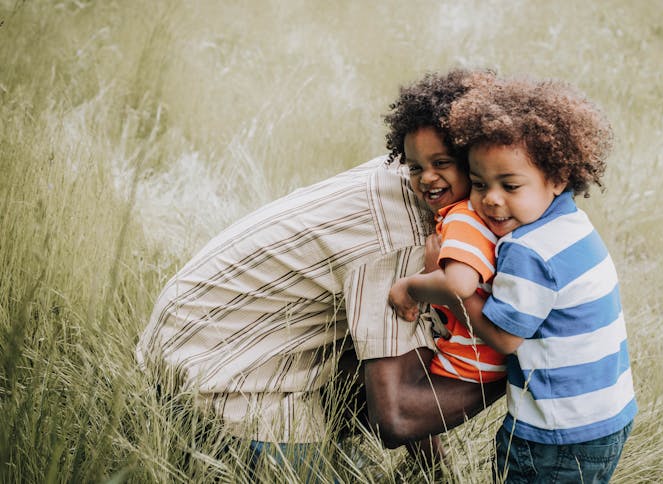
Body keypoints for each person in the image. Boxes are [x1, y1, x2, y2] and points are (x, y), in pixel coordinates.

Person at [135, 69, 504, 477]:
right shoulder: (407, 235)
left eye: (442, 163)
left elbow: (406, 356)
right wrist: (515, 363)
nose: (428, 176)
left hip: (190, 339)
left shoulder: (416, 188)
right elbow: (396, 417)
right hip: (222, 369)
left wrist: (435, 473)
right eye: (420, 165)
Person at [444, 77, 637, 482]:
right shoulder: (571, 223)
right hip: (606, 415)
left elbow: (504, 337)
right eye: (479, 184)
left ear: (557, 177)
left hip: (555, 432)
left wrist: (446, 292)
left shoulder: (528, 250)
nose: (492, 199)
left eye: (510, 185)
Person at [387, 163, 508, 385]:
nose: (426, 178)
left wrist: (411, 286)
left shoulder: (463, 217)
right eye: (414, 167)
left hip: (469, 361)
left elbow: (459, 285)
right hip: (476, 356)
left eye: (441, 163)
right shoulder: (462, 215)